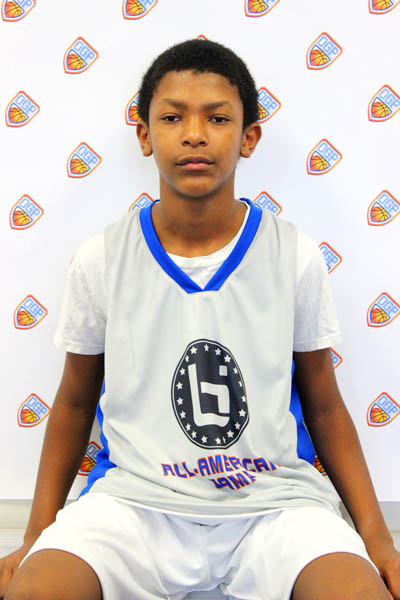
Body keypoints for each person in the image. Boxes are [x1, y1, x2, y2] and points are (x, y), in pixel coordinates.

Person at [1, 38, 399, 600]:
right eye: (172, 117)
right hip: (134, 505)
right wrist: (36, 536)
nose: (194, 134)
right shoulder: (102, 258)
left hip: (274, 506)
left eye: (217, 118)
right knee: (36, 591)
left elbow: (326, 406)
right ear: (144, 135)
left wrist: (376, 537)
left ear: (248, 137)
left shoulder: (294, 255)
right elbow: (72, 403)